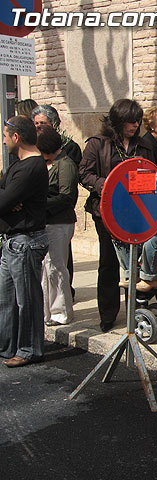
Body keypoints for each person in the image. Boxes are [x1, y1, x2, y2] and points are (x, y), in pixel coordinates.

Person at [79, 98, 155, 332]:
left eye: (138, 121)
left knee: (134, 263)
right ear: (118, 121)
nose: (134, 125)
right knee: (109, 263)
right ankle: (108, 314)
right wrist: (109, 185)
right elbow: (84, 174)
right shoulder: (97, 144)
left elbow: (152, 175)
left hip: (135, 212)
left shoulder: (143, 145)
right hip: (105, 212)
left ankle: (133, 311)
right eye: (130, 121)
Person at [0, 116, 49, 367]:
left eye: (6, 135)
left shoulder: (31, 167)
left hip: (26, 241)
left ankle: (29, 349)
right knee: (6, 298)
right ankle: (7, 346)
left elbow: (3, 202)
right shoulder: (17, 165)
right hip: (13, 241)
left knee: (26, 299)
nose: (4, 140)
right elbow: (6, 196)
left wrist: (8, 200)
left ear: (16, 137)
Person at [37, 125, 78, 326]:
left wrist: (39, 205)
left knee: (56, 267)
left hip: (60, 222)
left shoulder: (65, 164)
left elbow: (66, 197)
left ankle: (61, 311)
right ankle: (47, 311)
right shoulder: (50, 163)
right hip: (48, 222)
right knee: (47, 267)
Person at [113, 208, 157, 292]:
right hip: (146, 235)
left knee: (151, 243)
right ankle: (132, 274)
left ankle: (150, 279)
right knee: (118, 240)